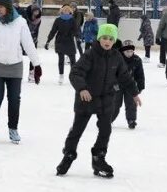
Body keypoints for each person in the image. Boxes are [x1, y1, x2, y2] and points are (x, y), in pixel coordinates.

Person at [55, 24, 142, 178]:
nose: (107, 41)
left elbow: (125, 77)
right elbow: (75, 73)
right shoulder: (90, 55)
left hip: (106, 99)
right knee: (77, 130)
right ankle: (68, 155)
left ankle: (98, 158)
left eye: (110, 38)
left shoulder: (117, 57)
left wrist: (134, 93)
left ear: (114, 41)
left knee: (105, 130)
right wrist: (82, 88)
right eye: (104, 38)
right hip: (86, 99)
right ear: (99, 38)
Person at [0, 0, 42, 144]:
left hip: (15, 65)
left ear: (8, 7)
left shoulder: (20, 22)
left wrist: (36, 64)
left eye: (2, 7)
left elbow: (28, 43)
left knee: (14, 99)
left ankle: (13, 129)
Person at [112, 40, 145, 129]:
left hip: (131, 86)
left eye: (131, 51)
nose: (129, 53)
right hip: (117, 86)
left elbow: (140, 74)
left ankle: (131, 120)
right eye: (127, 51)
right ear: (123, 50)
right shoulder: (116, 59)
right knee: (115, 104)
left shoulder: (137, 60)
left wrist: (140, 86)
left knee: (131, 103)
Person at [45, 5, 79, 85]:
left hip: (69, 41)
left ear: (70, 12)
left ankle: (73, 76)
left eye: (68, 10)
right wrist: (48, 41)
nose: (66, 12)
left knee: (73, 60)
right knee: (61, 59)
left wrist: (78, 37)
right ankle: (61, 76)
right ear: (62, 11)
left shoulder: (72, 20)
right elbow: (53, 31)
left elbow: (76, 30)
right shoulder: (58, 20)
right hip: (60, 41)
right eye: (65, 10)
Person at [24, 4, 42, 83]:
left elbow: (37, 30)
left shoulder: (39, 20)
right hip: (24, 38)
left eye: (38, 11)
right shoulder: (25, 18)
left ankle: (31, 74)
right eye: (35, 11)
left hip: (33, 39)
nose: (36, 13)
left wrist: (35, 38)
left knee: (33, 56)